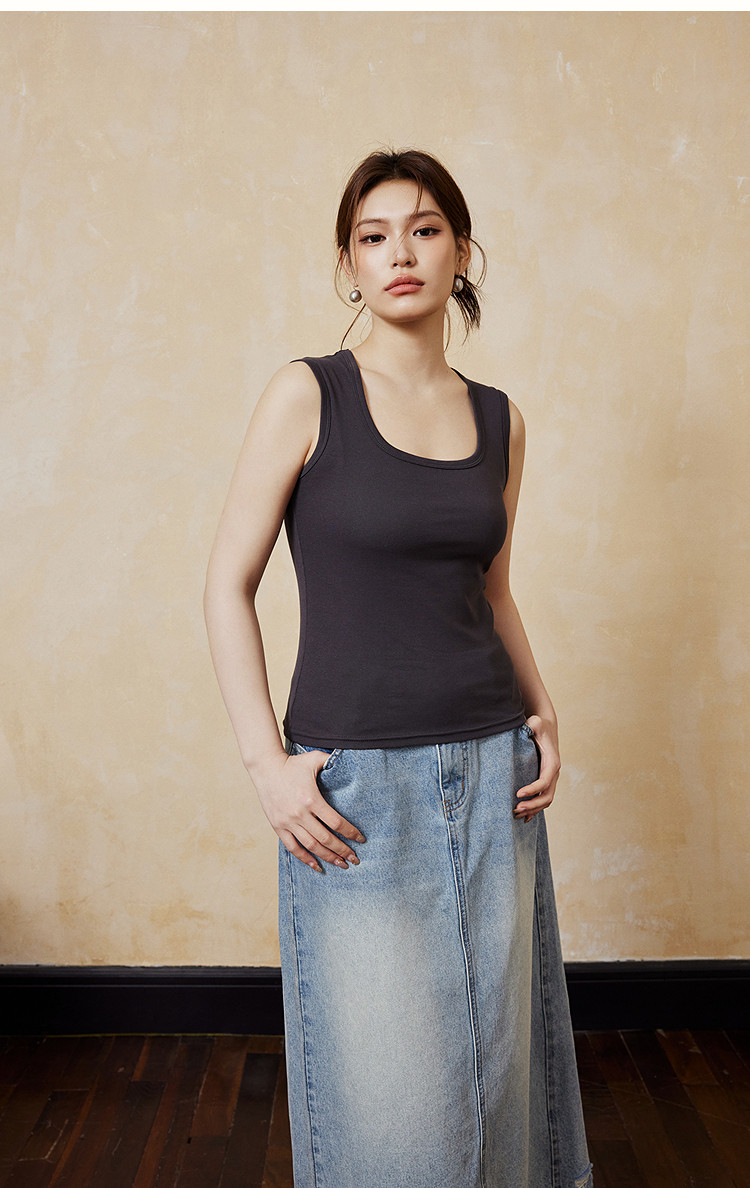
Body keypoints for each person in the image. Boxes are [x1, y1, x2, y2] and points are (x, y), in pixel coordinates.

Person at [203, 148, 593, 1188]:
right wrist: (268, 766)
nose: (400, 253)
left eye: (424, 230)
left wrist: (545, 714)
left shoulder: (501, 418)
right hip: (359, 788)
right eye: (374, 237)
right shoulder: (308, 394)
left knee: (499, 1079)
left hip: (495, 767)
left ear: (461, 252)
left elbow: (493, 591)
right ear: (349, 265)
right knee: (390, 1111)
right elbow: (225, 586)